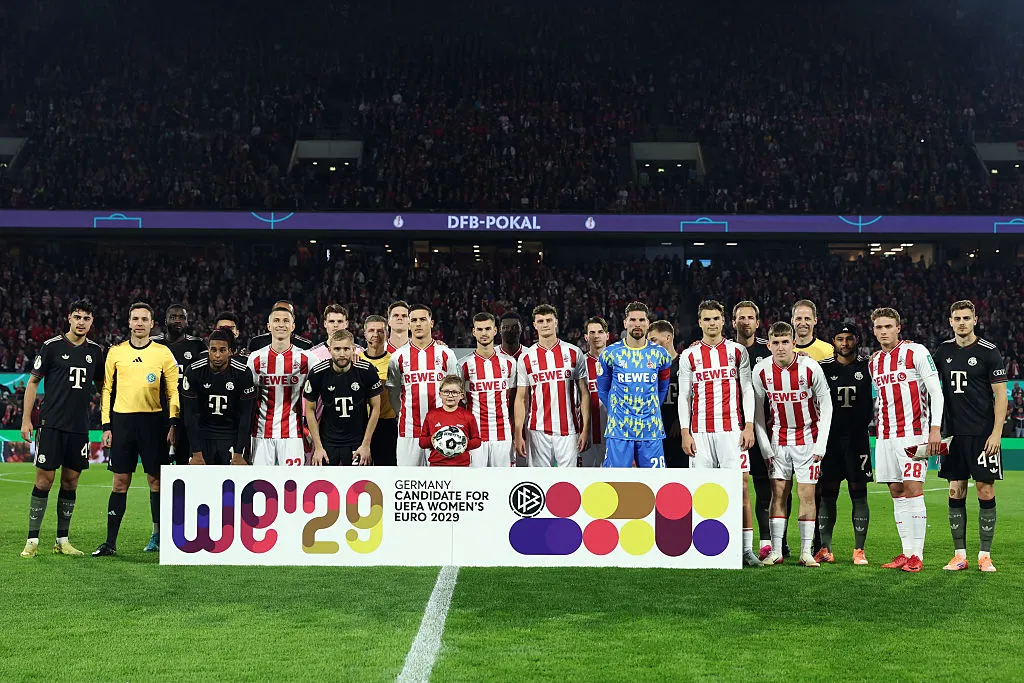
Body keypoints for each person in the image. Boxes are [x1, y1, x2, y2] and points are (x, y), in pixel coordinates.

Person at [678, 300, 761, 567]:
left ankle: (746, 550)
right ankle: (703, 547)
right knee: (700, 490)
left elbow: (747, 390)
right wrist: (685, 432)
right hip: (700, 433)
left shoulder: (738, 352)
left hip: (731, 432)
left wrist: (748, 425)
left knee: (741, 488)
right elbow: (684, 396)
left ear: (724, 321)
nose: (712, 323)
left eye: (716, 318)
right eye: (707, 319)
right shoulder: (689, 356)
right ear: (699, 322)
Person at [94, 302, 180, 557]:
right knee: (120, 482)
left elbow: (173, 390)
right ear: (129, 322)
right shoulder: (115, 352)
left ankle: (159, 536)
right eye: (135, 319)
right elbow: (106, 390)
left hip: (154, 423)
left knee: (156, 481)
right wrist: (106, 425)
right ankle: (110, 542)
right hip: (122, 423)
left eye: (145, 319)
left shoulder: (163, 353)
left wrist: (174, 421)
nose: (140, 323)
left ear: (152, 324)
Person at [19, 299, 104, 558]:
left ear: (92, 322)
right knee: (44, 481)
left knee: (71, 481)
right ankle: (32, 540)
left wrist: (108, 419)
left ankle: (62, 540)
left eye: (86, 318)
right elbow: (33, 382)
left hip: (79, 428)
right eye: (77, 317)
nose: (81, 322)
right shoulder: (51, 347)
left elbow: (103, 387)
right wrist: (26, 419)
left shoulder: (96, 351)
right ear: (69, 318)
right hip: (51, 425)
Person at [752, 322, 834, 568]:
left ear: (793, 343)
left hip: (808, 440)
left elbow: (827, 406)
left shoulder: (811, 368)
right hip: (779, 441)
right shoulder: (761, 371)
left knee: (806, 495)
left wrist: (821, 445)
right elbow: (757, 413)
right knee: (778, 495)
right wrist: (765, 447)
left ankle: (806, 552)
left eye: (785, 342)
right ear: (769, 345)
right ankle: (776, 550)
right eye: (775, 343)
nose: (780, 347)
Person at [870, 307, 944, 573]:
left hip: (914, 434)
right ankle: (906, 552)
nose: (883, 331)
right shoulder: (874, 362)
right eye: (879, 327)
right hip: (885, 437)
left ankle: (918, 555)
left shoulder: (917, 352)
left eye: (888, 326)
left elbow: (936, 392)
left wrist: (934, 430)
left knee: (913, 489)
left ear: (898, 328)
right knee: (896, 492)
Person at [935, 300, 1007, 572]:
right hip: (953, 436)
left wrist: (997, 433)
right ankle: (959, 554)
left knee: (985, 489)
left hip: (982, 434)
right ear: (950, 321)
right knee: (956, 490)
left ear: (975, 319)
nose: (962, 322)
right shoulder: (942, 352)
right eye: (957, 318)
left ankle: (984, 555)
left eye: (967, 317)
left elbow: (1001, 396)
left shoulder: (989, 352)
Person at [816, 324, 874, 565]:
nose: (845, 343)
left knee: (858, 493)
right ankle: (825, 548)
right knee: (827, 493)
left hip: (858, 439)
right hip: (830, 440)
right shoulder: (823, 368)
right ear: (833, 342)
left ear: (856, 340)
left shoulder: (868, 367)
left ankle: (859, 550)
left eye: (849, 339)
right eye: (840, 339)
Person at [732, 299, 782, 559]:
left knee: (766, 487)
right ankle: (732, 541)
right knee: (734, 486)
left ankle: (769, 542)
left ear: (758, 322)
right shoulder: (725, 350)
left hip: (766, 429)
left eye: (750, 317)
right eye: (741, 317)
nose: (745, 321)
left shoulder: (770, 349)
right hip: (732, 429)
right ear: (733, 322)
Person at [596, 302, 672, 468]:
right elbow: (602, 389)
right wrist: (618, 413)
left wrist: (651, 409)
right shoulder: (610, 354)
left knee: (655, 483)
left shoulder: (661, 355)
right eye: (632, 320)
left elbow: (662, 388)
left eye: (641, 320)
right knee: (616, 483)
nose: (637, 324)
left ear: (648, 323)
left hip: (651, 429)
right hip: (619, 430)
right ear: (625, 323)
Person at [514, 304, 590, 467]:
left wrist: (585, 429)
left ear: (556, 323)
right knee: (540, 482)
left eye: (549, 320)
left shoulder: (574, 352)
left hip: (569, 429)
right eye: (540, 321)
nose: (545, 324)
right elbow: (521, 398)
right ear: (534, 325)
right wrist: (518, 432)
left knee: (568, 482)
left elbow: (584, 394)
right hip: (537, 430)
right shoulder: (526, 358)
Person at [386, 304, 459, 466]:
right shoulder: (398, 357)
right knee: (408, 481)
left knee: (441, 480)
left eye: (422, 320)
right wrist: (402, 413)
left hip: (441, 429)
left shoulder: (446, 354)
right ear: (408, 324)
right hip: (409, 430)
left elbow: (455, 391)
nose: (418, 324)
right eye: (414, 320)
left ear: (431, 323)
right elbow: (393, 392)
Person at [304, 330, 383, 466]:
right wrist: (318, 447)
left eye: (346, 349)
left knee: (359, 485)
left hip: (357, 442)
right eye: (337, 349)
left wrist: (366, 445)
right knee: (325, 485)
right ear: (329, 350)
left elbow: (376, 408)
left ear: (353, 349)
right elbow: (310, 409)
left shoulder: (367, 370)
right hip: (327, 442)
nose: (342, 354)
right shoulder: (318, 373)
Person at [246, 305, 313, 466]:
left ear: (293, 326)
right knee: (260, 484)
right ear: (269, 326)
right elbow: (248, 398)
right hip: (261, 433)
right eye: (276, 321)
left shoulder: (306, 358)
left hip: (293, 435)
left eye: (285, 321)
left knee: (293, 484)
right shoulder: (255, 358)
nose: (281, 324)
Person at [180, 329, 256, 466]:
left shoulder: (243, 373)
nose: (217, 355)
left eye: (222, 350)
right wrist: (196, 452)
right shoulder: (193, 371)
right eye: (213, 350)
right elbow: (190, 414)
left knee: (232, 485)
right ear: (208, 350)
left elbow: (246, 415)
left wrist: (239, 452)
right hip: (202, 436)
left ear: (230, 351)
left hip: (230, 436)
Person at [459, 313, 517, 467]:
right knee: (476, 482)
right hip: (475, 434)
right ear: (474, 332)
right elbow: (460, 401)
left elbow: (511, 398)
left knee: (503, 481)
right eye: (480, 329)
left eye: (487, 329)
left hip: (503, 433)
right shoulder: (463, 364)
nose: (484, 333)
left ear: (495, 330)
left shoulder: (509, 363)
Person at [152, 304, 207, 465]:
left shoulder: (198, 345)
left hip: (187, 414)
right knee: (157, 468)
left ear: (187, 322)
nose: (178, 320)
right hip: (159, 412)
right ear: (165, 321)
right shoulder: (154, 344)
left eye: (182, 317)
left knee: (185, 464)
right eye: (173, 317)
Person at [418, 375, 482, 467]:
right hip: (437, 464)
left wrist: (463, 443)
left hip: (461, 465)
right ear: (440, 394)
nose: (450, 395)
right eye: (446, 392)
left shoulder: (468, 416)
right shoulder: (431, 415)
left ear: (461, 395)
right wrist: (432, 440)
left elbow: (477, 441)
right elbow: (422, 442)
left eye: (455, 392)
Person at [360, 315, 398, 466]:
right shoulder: (355, 360)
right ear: (364, 333)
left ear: (387, 334)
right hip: (361, 424)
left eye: (380, 331)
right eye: (371, 330)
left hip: (386, 425)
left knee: (387, 470)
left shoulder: (394, 361)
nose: (375, 334)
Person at [647, 320, 685, 469]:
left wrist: (680, 420)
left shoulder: (684, 362)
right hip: (656, 431)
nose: (650, 344)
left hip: (679, 432)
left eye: (653, 340)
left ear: (668, 338)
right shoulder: (650, 367)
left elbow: (694, 396)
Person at [581, 316, 610, 467]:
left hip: (613, 432)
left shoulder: (617, 361)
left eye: (600, 332)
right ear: (586, 337)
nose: (596, 336)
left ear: (607, 335)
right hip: (588, 433)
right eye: (592, 332)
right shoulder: (580, 364)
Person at [248, 300, 314, 352]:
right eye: (277, 317)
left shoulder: (306, 346)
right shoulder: (257, 343)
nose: (281, 324)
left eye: (286, 314)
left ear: (293, 318)